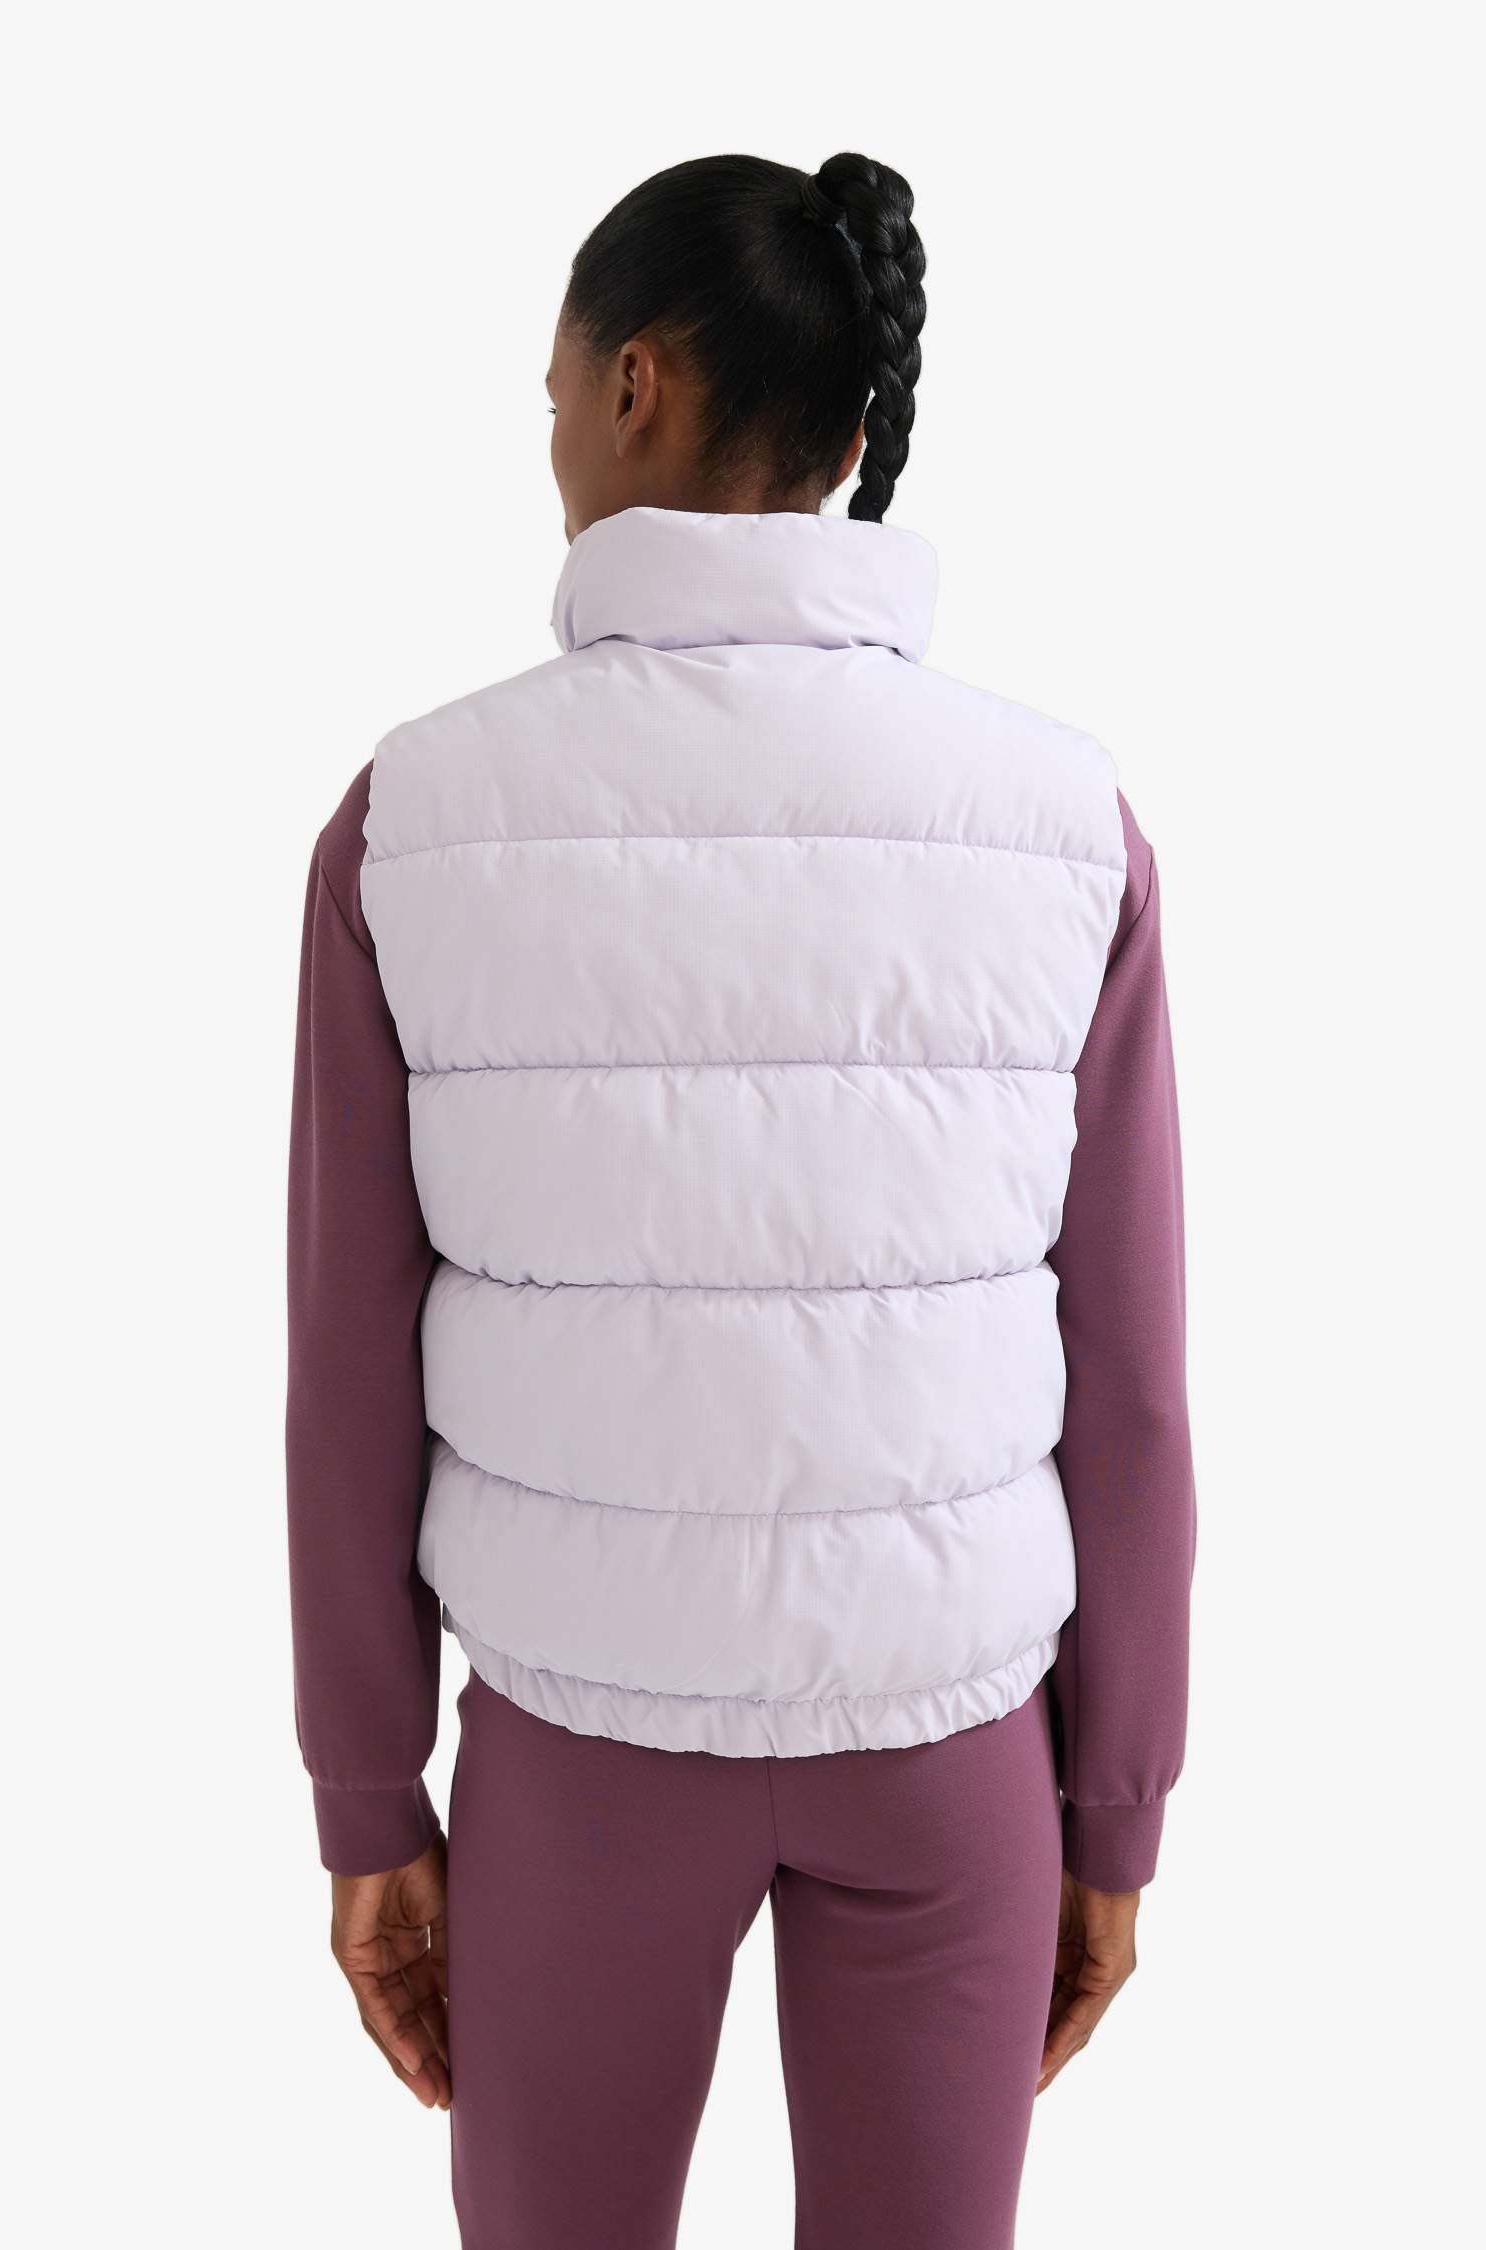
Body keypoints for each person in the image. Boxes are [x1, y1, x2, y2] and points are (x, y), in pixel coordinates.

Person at [287, 150, 1194, 2250]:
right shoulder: (1066, 822)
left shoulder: (413, 819)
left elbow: (348, 1366)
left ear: (635, 386)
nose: (549, 443)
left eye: (550, 395)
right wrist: (1117, 1802)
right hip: (949, 1740)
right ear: (856, 434)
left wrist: (367, 1788)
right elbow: (1133, 1374)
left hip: (580, 1742)